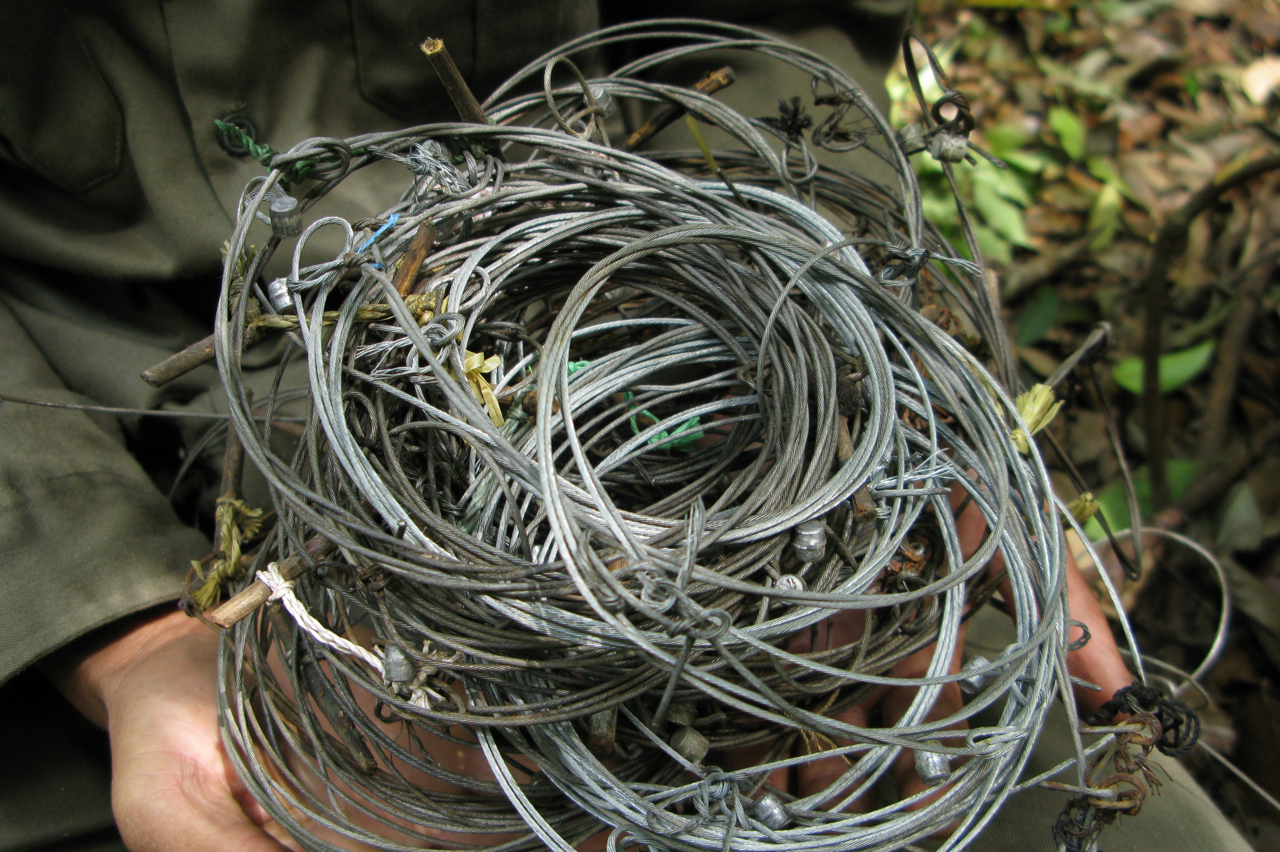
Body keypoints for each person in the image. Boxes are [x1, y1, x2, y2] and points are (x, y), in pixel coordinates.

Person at [0, 3, 1251, 852]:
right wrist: (112, 631)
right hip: (135, 537)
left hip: (763, 493)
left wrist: (871, 380)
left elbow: (782, 40)